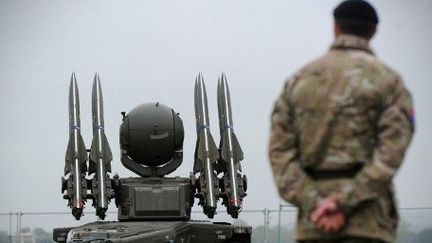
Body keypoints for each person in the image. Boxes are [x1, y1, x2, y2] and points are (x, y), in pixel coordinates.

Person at [268, 0, 415, 242]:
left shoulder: (299, 82)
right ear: (374, 31)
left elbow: (279, 154)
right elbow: (391, 152)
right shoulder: (390, 83)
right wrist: (344, 201)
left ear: (335, 27)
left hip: (314, 223)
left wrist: (315, 202)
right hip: (367, 222)